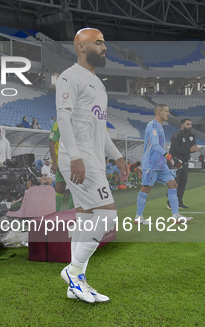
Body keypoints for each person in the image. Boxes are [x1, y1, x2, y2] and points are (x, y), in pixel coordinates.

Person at [56, 28, 128, 303]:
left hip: (94, 158)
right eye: (98, 43)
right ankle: (74, 272)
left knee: (85, 220)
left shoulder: (100, 85)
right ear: (80, 47)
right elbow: (63, 117)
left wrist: (118, 156)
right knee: (108, 217)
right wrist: (75, 156)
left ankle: (76, 285)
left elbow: (102, 129)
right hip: (80, 158)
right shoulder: (69, 76)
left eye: (104, 42)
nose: (104, 47)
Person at [135, 104, 192, 225]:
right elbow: (155, 146)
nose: (168, 113)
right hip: (150, 164)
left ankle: (175, 215)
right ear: (158, 112)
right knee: (146, 188)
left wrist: (168, 160)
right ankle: (138, 217)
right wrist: (170, 157)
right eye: (166, 111)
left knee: (173, 184)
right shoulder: (153, 126)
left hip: (161, 164)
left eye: (168, 111)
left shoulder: (160, 126)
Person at [168, 118, 201, 209]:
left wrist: (194, 150)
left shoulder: (192, 135)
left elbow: (191, 148)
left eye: (191, 124)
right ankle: (170, 203)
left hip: (185, 162)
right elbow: (174, 149)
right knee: (175, 183)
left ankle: (179, 202)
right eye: (188, 124)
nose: (190, 126)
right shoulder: (177, 135)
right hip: (175, 161)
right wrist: (189, 150)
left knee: (183, 183)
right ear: (182, 125)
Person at [48, 121, 74, 212]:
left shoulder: (75, 122)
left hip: (71, 161)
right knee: (59, 187)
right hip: (59, 162)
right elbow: (51, 142)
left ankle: (70, 213)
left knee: (75, 188)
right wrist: (54, 163)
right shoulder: (58, 123)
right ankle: (55, 212)